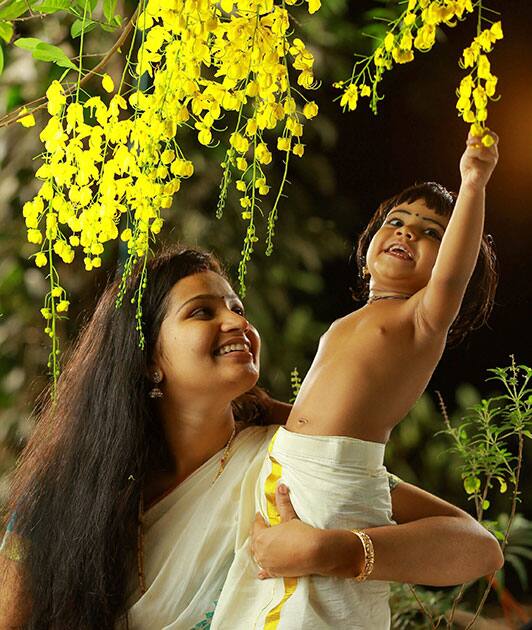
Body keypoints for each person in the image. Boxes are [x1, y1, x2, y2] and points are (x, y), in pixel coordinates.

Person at [0, 134, 502, 628]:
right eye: (202, 312)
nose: (238, 323)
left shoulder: (282, 465)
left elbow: (476, 548)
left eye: (238, 309)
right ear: (148, 359)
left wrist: (340, 551)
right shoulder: (67, 499)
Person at [211, 131, 501, 629]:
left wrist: (473, 182)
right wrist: (270, 411)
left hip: (337, 481)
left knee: (316, 612)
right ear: (368, 244)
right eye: (397, 221)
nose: (408, 232)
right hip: (299, 469)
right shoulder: (352, 321)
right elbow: (323, 412)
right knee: (266, 609)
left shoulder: (420, 318)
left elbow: (451, 278)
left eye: (431, 232)